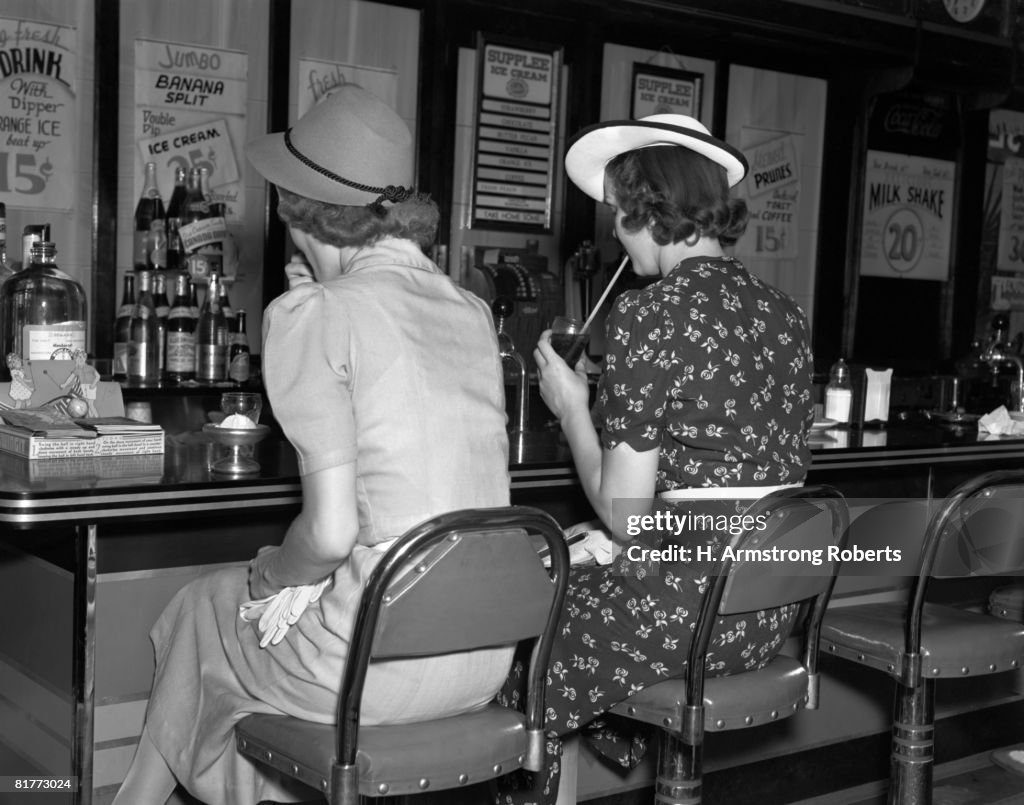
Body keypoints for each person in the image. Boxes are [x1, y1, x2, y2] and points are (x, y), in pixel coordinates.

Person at [113, 85, 512, 805]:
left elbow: (330, 534)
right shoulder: (471, 310)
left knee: (204, 607)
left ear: (297, 207)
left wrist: (270, 574)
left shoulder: (315, 314)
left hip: (371, 668)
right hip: (485, 657)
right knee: (216, 617)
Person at [496, 114, 815, 804]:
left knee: (514, 624)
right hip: (767, 608)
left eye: (617, 210)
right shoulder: (786, 314)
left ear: (648, 206)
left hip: (685, 615)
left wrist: (574, 408)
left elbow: (626, 518)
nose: (613, 228)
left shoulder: (649, 316)